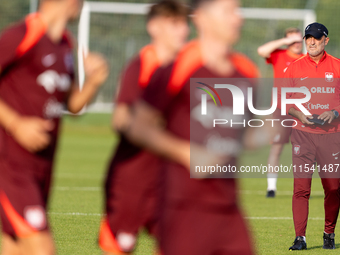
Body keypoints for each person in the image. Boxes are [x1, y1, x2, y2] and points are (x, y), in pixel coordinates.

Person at [124, 0, 264, 254]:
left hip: (228, 206)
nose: (238, 18)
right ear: (200, 17)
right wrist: (187, 153)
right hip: (183, 207)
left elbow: (247, 133)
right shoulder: (179, 67)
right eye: (229, 11)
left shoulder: (247, 72)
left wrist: (269, 131)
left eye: (238, 10)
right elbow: (138, 126)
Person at [0, 0, 109, 254]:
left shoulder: (65, 44)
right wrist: (16, 124)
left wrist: (93, 82)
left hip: (41, 166)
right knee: (42, 249)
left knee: (16, 247)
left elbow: (72, 105)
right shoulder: (23, 34)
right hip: (10, 166)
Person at [98, 1, 189, 254]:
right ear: (154, 27)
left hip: (168, 182)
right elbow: (120, 119)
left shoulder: (185, 67)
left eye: (184, 24)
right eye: (174, 24)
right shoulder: (143, 65)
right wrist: (149, 126)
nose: (182, 30)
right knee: (120, 248)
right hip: (131, 182)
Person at [284, 22, 340, 250]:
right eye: (308, 37)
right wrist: (299, 114)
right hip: (302, 135)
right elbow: (283, 101)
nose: (311, 41)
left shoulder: (337, 66)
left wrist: (335, 112)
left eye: (316, 37)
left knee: (334, 188)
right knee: (301, 188)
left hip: (331, 136)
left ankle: (329, 232)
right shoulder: (294, 67)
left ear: (325, 40)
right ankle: (300, 238)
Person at [257, 27, 304, 197]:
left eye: (299, 40)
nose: (296, 43)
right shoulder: (279, 55)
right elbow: (261, 51)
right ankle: (271, 188)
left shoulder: (306, 59)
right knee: (276, 149)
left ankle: (301, 187)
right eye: (293, 40)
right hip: (279, 110)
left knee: (305, 152)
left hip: (301, 111)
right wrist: (285, 41)